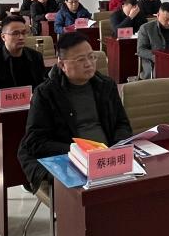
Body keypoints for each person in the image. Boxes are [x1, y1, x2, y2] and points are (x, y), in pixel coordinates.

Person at [17, 33, 132, 193]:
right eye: (80, 60)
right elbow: (35, 141)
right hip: (71, 162)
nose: (89, 64)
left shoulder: (106, 85)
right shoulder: (46, 94)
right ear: (62, 65)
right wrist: (77, 150)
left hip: (108, 159)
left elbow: (122, 123)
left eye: (91, 57)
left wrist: (117, 147)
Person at [0, 15, 47, 99]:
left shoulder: (36, 56)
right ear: (3, 37)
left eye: (24, 33)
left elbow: (42, 87)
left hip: (33, 104)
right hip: (5, 105)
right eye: (15, 33)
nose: (21, 37)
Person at [136, 2, 169, 78]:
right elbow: (140, 50)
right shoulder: (146, 28)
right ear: (158, 15)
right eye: (166, 19)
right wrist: (157, 57)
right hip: (157, 62)